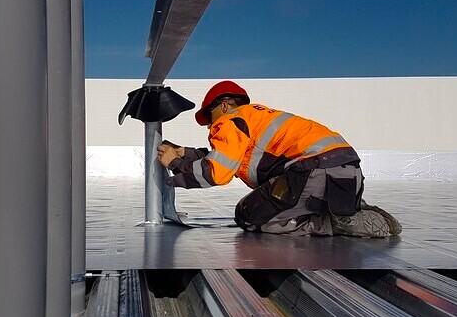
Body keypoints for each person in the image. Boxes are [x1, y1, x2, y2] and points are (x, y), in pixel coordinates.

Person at [157, 80, 401, 237]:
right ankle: (351, 208)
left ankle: (336, 223)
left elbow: (217, 173)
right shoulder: (257, 118)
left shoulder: (229, 120)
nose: (210, 125)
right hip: (349, 172)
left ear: (223, 105)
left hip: (312, 174)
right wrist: (184, 153)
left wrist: (174, 164)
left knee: (249, 215)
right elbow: (225, 157)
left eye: (209, 116)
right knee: (278, 194)